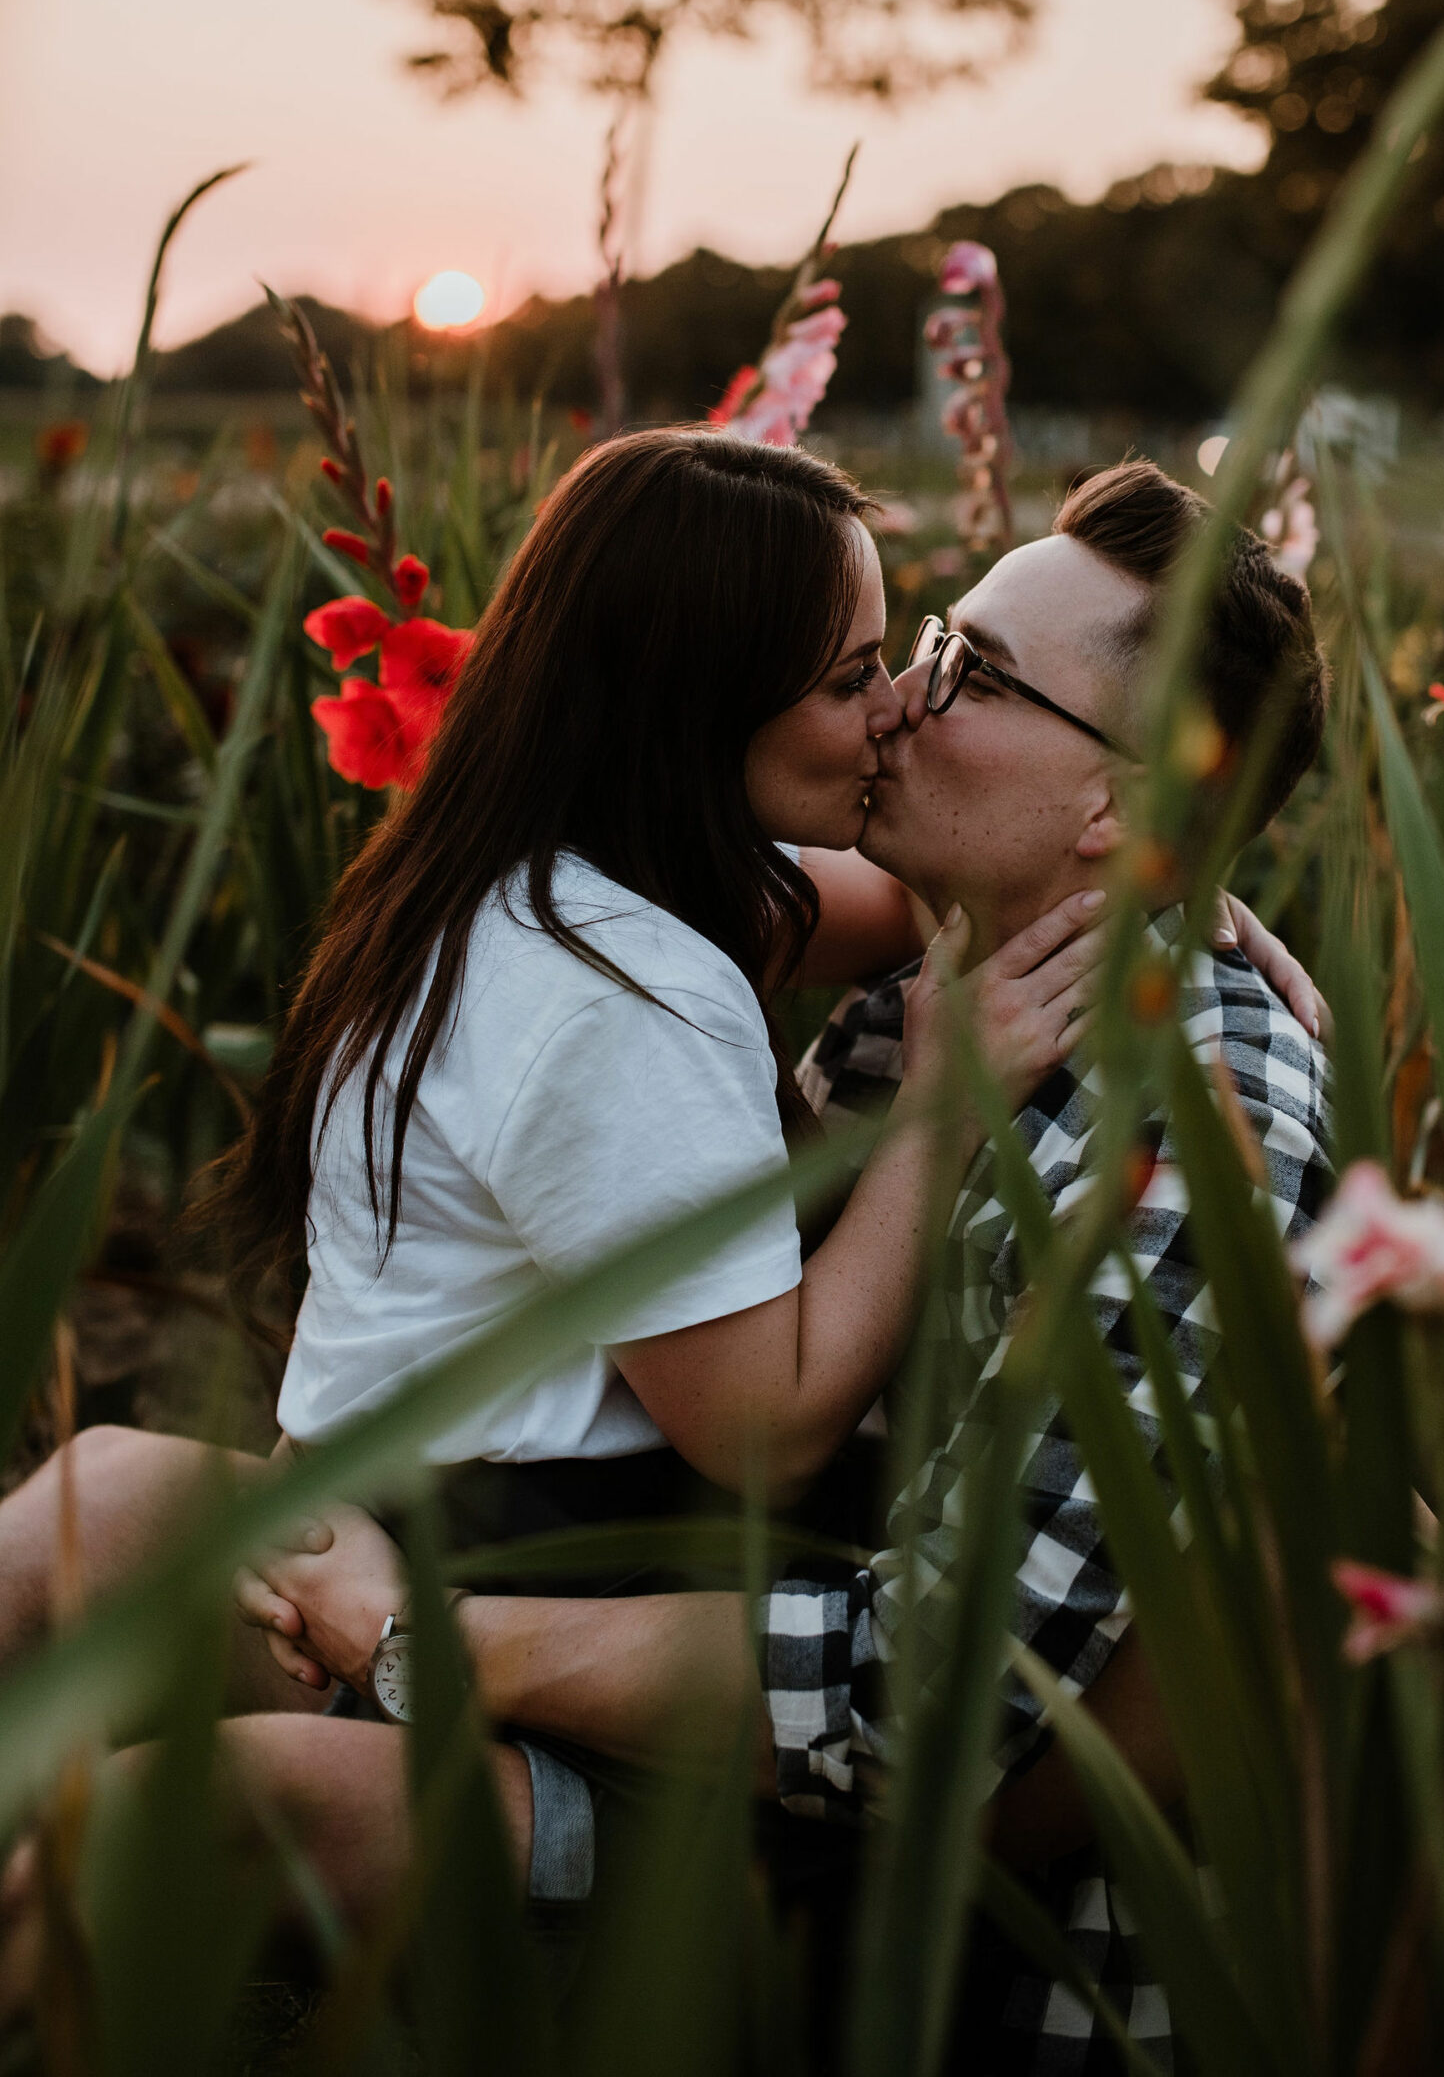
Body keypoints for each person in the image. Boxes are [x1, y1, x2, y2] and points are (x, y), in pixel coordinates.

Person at [227, 456, 1336, 2070]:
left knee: (197, 1793)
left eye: (961, 672)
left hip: (959, 1961)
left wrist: (433, 1642)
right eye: (907, 650)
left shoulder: (1177, 1124)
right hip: (691, 1650)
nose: (899, 705)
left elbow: (935, 1692)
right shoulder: (944, 968)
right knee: (104, 1515)